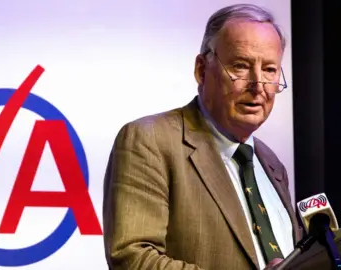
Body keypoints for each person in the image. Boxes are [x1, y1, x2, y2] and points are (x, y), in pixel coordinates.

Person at [102, 3, 304, 270]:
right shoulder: (149, 141)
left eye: (269, 70)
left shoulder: (271, 163)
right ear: (201, 70)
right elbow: (132, 258)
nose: (258, 86)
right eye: (241, 66)